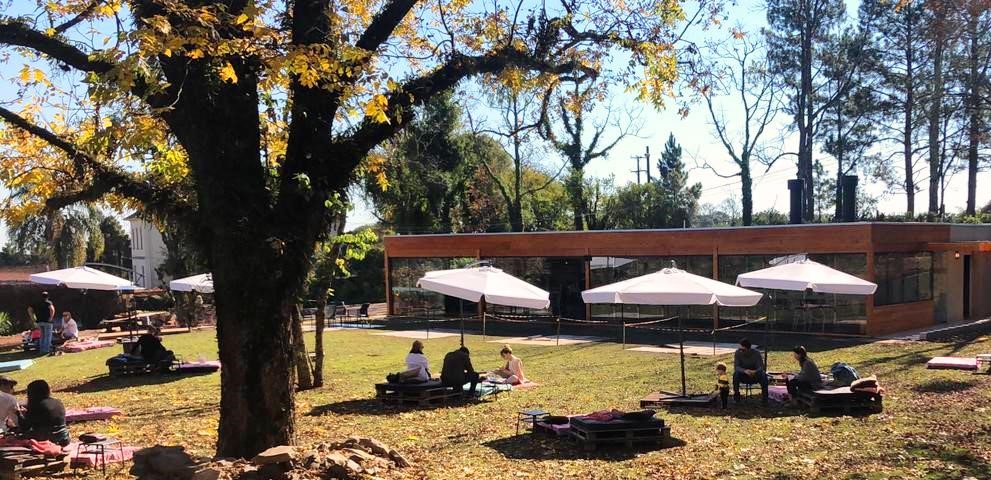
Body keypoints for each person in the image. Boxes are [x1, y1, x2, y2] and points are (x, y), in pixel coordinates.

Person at [18, 380, 69, 446]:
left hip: (46, 439)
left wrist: (19, 414)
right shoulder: (57, 402)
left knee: (18, 437)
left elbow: (25, 427)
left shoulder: (36, 405)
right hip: (63, 437)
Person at [733, 338, 768, 404]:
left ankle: (765, 398)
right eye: (740, 349)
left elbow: (760, 367)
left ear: (748, 349)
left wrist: (754, 371)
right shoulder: (738, 353)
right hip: (743, 375)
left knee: (763, 375)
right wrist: (744, 371)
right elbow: (736, 367)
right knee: (736, 374)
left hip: (755, 375)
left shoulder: (756, 353)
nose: (741, 351)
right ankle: (737, 397)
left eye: (743, 350)